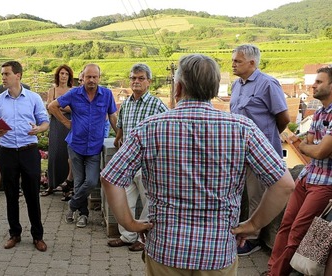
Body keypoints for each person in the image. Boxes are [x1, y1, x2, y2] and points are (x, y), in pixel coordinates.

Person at [101, 54, 295, 275]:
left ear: (178, 88)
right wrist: (252, 225)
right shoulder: (243, 129)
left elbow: (110, 177)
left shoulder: (150, 127)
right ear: (214, 90)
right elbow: (284, 185)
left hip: (166, 250)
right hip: (218, 252)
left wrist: (131, 224)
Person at [266, 66, 332, 276]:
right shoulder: (320, 112)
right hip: (306, 177)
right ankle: (272, 270)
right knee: (286, 224)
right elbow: (309, 146)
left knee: (297, 231)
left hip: (325, 183)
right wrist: (310, 146)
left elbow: (320, 151)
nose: (313, 85)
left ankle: (278, 273)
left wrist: (309, 146)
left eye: (319, 82)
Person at [229, 44, 290, 255]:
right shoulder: (236, 85)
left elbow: (283, 119)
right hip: (238, 151)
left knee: (256, 195)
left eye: (237, 60)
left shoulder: (268, 84)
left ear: (252, 63)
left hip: (259, 151)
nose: (233, 64)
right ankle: (238, 231)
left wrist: (266, 138)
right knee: (239, 192)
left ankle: (252, 238)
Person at [0, 61, 49, 252]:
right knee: (11, 194)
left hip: (29, 150)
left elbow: (45, 121)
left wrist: (39, 129)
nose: (3, 78)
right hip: (6, 152)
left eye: (6, 74)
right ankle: (15, 234)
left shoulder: (33, 98)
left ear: (18, 76)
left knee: (32, 194)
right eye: (2, 74)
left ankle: (38, 236)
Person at [107, 63, 168, 252]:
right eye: (133, 78)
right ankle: (127, 236)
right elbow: (121, 128)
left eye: (141, 78)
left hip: (148, 162)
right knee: (125, 200)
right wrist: (118, 142)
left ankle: (144, 239)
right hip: (127, 161)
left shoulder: (157, 105)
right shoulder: (126, 103)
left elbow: (167, 131)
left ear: (149, 82)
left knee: (149, 201)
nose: (136, 81)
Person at [48, 63, 118, 228]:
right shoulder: (74, 93)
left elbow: (113, 117)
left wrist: (120, 137)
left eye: (94, 77)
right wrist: (66, 122)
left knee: (92, 181)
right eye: (88, 77)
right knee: (79, 181)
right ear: (83, 78)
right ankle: (83, 215)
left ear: (99, 78)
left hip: (94, 146)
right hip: (76, 145)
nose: (91, 80)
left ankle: (72, 205)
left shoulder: (106, 95)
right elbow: (52, 106)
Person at [41, 64, 75, 198]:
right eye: (62, 73)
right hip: (55, 124)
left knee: (67, 154)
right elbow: (50, 108)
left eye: (66, 74)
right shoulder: (52, 90)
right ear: (58, 75)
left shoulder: (73, 90)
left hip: (69, 124)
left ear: (69, 76)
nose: (64, 76)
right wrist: (61, 107)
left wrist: (59, 107)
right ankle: (51, 185)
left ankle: (67, 187)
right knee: (54, 154)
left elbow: (74, 109)